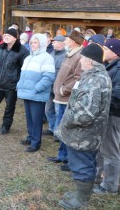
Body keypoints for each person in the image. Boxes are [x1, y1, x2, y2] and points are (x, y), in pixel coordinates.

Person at [55, 43, 112, 209]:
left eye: (83, 59)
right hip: (84, 134)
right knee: (84, 164)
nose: (80, 62)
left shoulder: (95, 80)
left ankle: (81, 200)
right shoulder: (93, 76)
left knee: (82, 166)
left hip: (83, 135)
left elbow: (85, 114)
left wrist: (67, 120)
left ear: (91, 61)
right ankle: (82, 194)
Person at [48, 30, 85, 171]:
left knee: (66, 130)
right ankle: (61, 156)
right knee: (62, 129)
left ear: (74, 42)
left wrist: (64, 89)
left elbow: (79, 79)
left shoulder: (79, 57)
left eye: (67, 39)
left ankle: (68, 159)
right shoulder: (69, 54)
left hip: (67, 99)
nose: (65, 41)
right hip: (60, 98)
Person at [0, 28, 29, 134]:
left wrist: (20, 83)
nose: (6, 37)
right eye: (5, 35)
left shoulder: (22, 51)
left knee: (9, 107)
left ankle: (6, 126)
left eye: (8, 35)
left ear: (15, 37)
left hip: (12, 85)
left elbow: (25, 69)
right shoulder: (0, 48)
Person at [17, 33, 56, 152]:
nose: (33, 45)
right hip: (27, 93)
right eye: (32, 42)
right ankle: (30, 137)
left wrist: (37, 88)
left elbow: (49, 77)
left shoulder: (46, 57)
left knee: (36, 119)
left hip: (37, 94)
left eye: (35, 42)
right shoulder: (29, 57)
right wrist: (20, 85)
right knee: (29, 118)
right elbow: (23, 75)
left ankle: (36, 142)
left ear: (42, 44)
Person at [94, 38, 120, 195]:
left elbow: (117, 94)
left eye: (106, 48)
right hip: (106, 112)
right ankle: (99, 176)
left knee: (111, 150)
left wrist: (100, 97)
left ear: (115, 52)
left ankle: (110, 185)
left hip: (114, 114)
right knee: (102, 147)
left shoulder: (118, 68)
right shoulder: (109, 65)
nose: (103, 50)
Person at [43, 35, 67, 137]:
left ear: (62, 43)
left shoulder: (66, 56)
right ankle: (51, 128)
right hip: (50, 87)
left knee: (58, 111)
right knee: (48, 110)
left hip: (59, 88)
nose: (53, 43)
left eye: (55, 42)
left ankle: (58, 132)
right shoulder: (51, 54)